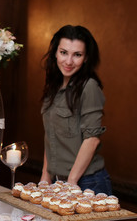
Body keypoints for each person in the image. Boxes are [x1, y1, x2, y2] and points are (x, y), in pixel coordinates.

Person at [40, 25, 112, 195]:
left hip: (87, 182)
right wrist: (45, 175)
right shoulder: (53, 87)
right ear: (55, 53)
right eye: (64, 52)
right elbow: (50, 136)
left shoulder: (89, 87)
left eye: (77, 55)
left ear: (86, 58)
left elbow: (92, 139)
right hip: (59, 181)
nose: (69, 61)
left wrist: (71, 181)